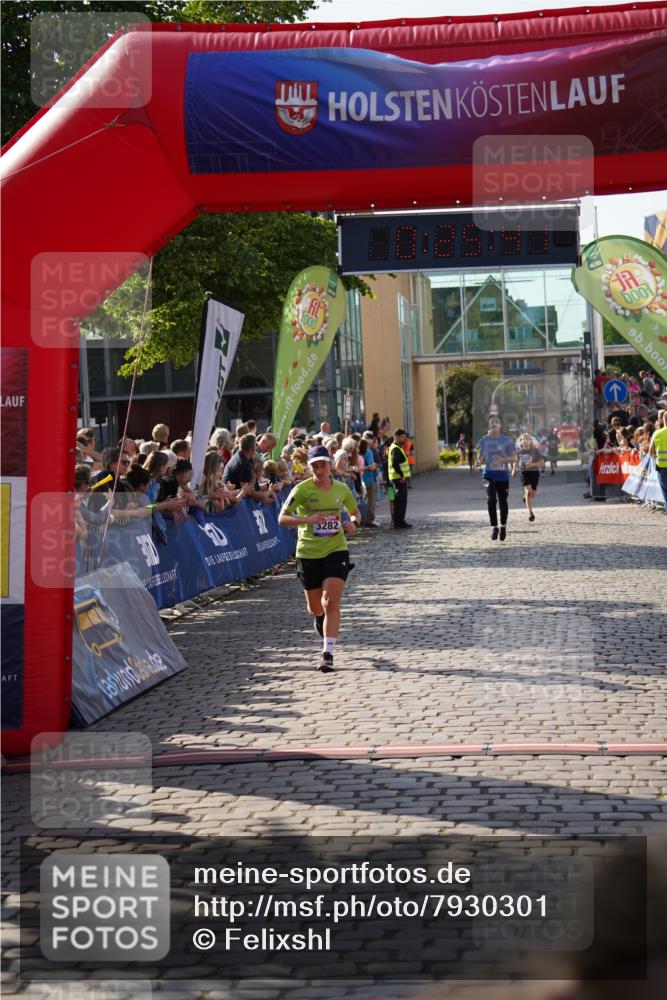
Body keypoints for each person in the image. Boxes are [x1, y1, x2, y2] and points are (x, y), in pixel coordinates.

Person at [278, 445, 361, 673]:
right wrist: (307, 519)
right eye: (314, 466)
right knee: (315, 607)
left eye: (323, 465)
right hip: (308, 552)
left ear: (330, 465)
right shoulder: (302, 489)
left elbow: (355, 513)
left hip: (336, 549)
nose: (319, 470)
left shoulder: (341, 489)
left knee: (331, 600)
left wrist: (353, 523)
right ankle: (319, 617)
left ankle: (327, 654)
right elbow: (282, 518)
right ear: (309, 467)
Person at [475, 415, 516, 540]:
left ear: (500, 425)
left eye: (497, 422)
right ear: (489, 425)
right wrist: (478, 461)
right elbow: (480, 455)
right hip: (489, 474)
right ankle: (494, 527)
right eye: (492, 422)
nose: (494, 424)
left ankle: (503, 526)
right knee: (491, 500)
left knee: (503, 502)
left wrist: (503, 460)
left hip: (502, 476)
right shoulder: (483, 440)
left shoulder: (506, 440)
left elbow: (514, 458)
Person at [512, 432, 544, 522]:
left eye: (527, 439)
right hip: (524, 474)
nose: (525, 440)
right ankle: (530, 513)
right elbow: (515, 461)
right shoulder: (518, 452)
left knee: (532, 494)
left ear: (530, 441)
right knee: (528, 492)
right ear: (520, 442)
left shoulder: (535, 451)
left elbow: (542, 463)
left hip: (534, 474)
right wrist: (513, 470)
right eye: (523, 439)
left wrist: (532, 464)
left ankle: (525, 496)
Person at [387, 428, 411, 528]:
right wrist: (402, 475)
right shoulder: (395, 449)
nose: (403, 439)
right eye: (402, 437)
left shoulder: (396, 448)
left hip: (397, 478)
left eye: (404, 437)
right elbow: (394, 463)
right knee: (400, 501)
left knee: (399, 500)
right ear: (395, 437)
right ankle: (399, 522)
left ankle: (399, 521)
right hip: (398, 479)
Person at [649, 420, 667, 511]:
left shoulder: (657, 433)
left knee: (665, 492)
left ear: (664, 420)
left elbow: (651, 452)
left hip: (662, 467)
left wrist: (656, 455)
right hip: (661, 468)